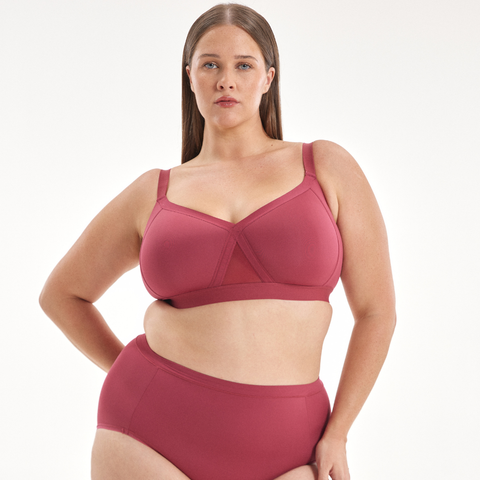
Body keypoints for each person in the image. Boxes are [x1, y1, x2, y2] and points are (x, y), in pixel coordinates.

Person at [39, 3, 396, 480]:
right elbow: (63, 294)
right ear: (189, 76)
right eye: (210, 65)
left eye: (243, 66)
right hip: (148, 436)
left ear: (268, 78)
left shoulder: (326, 167)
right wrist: (132, 369)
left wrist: (339, 433)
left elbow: (376, 312)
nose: (226, 80)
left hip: (293, 448)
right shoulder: (153, 192)